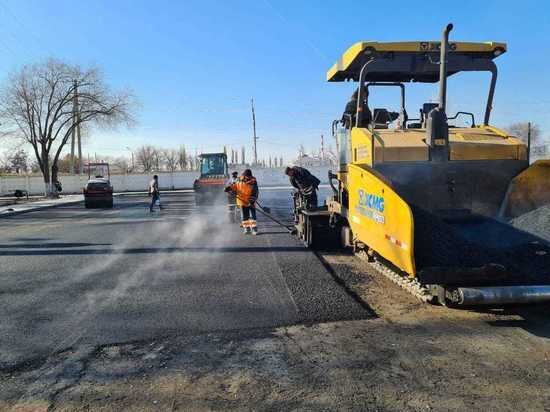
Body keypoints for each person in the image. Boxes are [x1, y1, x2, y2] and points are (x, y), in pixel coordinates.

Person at [225, 169, 259, 235]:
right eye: (247, 176)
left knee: (252, 216)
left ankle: (254, 229)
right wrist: (228, 188)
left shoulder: (253, 181)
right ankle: (247, 229)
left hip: (250, 201)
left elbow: (255, 192)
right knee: (244, 216)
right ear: (244, 175)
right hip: (242, 201)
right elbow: (234, 186)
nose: (249, 178)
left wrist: (252, 201)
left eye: (250, 176)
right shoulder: (238, 180)